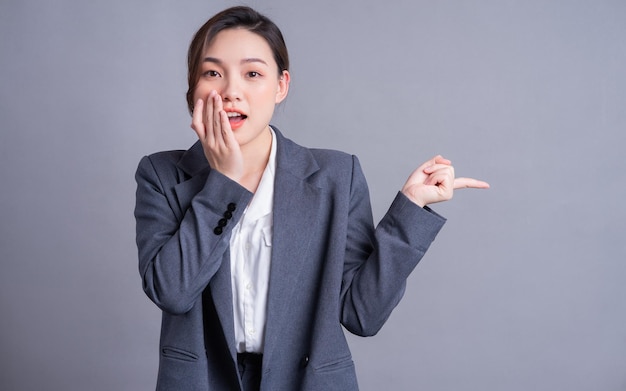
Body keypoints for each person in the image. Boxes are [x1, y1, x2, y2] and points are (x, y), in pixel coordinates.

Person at [134, 5, 489, 391]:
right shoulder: (161, 175)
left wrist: (410, 209)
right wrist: (223, 181)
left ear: (281, 85)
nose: (231, 91)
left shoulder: (337, 176)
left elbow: (362, 314)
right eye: (212, 73)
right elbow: (172, 291)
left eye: (253, 74)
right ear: (194, 88)